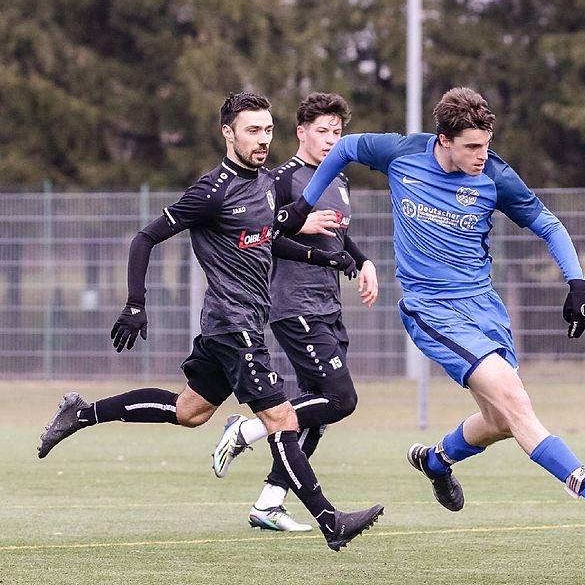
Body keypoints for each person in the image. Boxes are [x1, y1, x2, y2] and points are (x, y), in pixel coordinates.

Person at [274, 86, 585, 529]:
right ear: (444, 140)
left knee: (499, 420)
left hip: (484, 309)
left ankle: (436, 461)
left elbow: (548, 224)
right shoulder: (402, 153)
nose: (480, 155)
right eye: (471, 146)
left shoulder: (494, 175)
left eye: (486, 144)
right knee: (515, 401)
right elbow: (344, 148)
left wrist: (578, 284)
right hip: (431, 309)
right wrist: (301, 206)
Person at [37, 91, 383, 551]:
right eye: (252, 130)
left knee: (190, 411)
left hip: (238, 324)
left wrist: (326, 258)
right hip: (232, 324)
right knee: (281, 419)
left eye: (267, 130)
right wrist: (135, 303)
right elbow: (144, 239)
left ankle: (82, 413)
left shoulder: (262, 183)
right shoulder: (210, 192)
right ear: (228, 133)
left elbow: (266, 241)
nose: (263, 140)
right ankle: (329, 521)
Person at [210, 92, 379, 534]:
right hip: (293, 305)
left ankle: (269, 503)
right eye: (321, 131)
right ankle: (246, 430)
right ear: (301, 132)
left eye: (337, 133)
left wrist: (363, 261)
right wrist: (311, 248)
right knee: (340, 399)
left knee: (316, 414)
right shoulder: (282, 179)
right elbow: (269, 234)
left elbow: (337, 234)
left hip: (327, 304)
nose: (329, 140)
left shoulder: (338, 179)